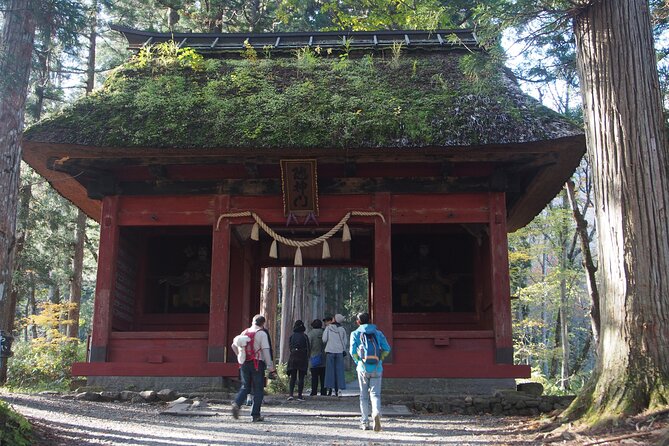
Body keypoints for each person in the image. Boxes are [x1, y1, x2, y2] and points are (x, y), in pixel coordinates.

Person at [350, 312, 391, 432]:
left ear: (358, 322)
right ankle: (376, 413)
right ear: (370, 320)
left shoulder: (355, 333)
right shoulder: (378, 333)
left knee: (363, 396)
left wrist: (359, 362)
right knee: (375, 394)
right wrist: (380, 359)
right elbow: (387, 349)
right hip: (377, 368)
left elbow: (353, 351)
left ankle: (364, 422)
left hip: (363, 368)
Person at [230, 314, 276, 422]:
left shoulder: (244, 332)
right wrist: (271, 367)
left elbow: (233, 346)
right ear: (263, 324)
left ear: (252, 322)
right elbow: (266, 350)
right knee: (258, 389)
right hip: (257, 363)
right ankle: (255, 415)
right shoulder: (262, 334)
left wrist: (239, 356)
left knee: (245, 386)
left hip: (244, 363)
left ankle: (237, 403)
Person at [322, 313, 347, 397]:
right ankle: (339, 390)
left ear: (334, 320)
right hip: (339, 352)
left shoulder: (328, 328)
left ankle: (332, 390)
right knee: (339, 371)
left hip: (330, 351)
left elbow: (324, 340)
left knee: (330, 371)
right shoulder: (342, 329)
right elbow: (345, 342)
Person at [286, 320, 310, 401]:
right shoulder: (305, 336)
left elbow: (290, 347)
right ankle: (299, 395)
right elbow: (308, 348)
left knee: (293, 377)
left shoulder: (292, 336)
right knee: (301, 378)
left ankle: (291, 394)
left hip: (293, 356)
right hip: (302, 357)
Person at [307, 319, 326, 396]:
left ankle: (314, 391)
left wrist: (308, 356)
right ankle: (323, 392)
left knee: (314, 377)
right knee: (323, 377)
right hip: (324, 358)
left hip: (313, 357)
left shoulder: (310, 334)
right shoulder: (324, 332)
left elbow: (308, 346)